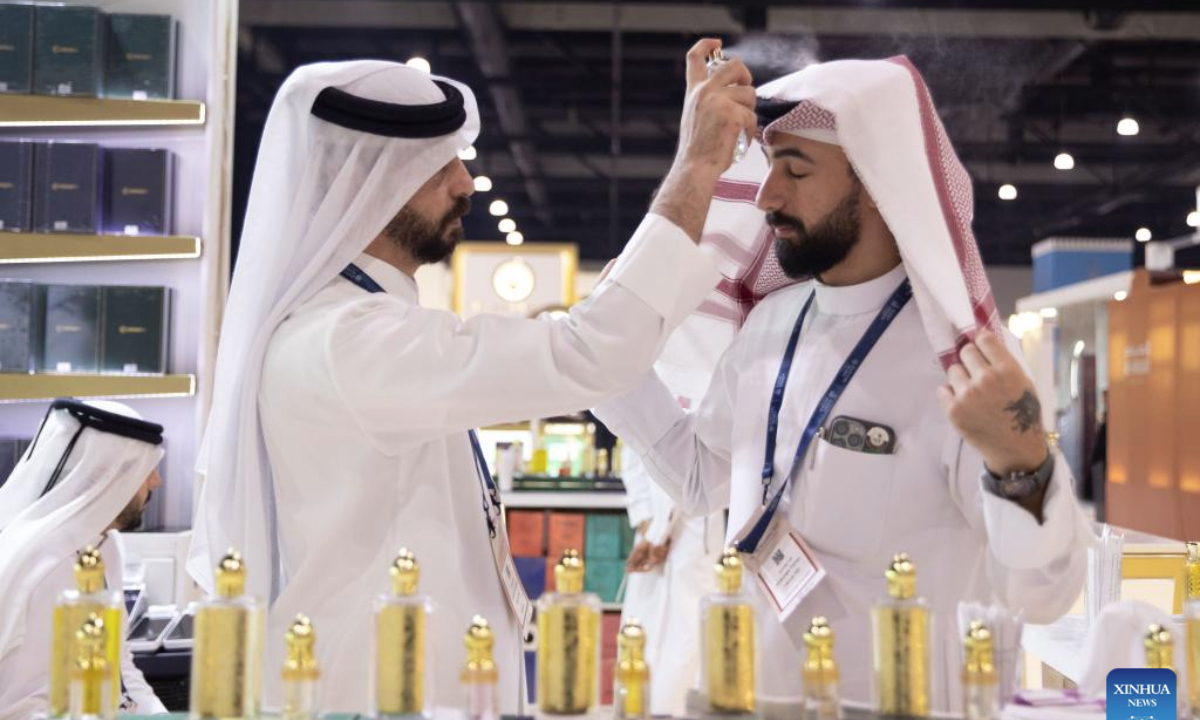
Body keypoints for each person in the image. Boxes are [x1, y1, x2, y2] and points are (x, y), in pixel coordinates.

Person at [189, 40, 756, 713]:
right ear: (369, 181)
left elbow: (598, 366)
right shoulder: (347, 340)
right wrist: (696, 166)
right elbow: (586, 354)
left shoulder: (362, 325)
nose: (464, 183)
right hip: (381, 692)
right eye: (439, 166)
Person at [594, 57, 1093, 711]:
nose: (767, 196)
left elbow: (1043, 594)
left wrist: (1021, 464)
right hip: (756, 697)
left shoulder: (960, 359)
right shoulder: (770, 324)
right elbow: (696, 477)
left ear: (879, 183)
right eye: (769, 168)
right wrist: (605, 353)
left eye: (796, 171)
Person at [0, 399, 167, 718]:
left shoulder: (105, 543)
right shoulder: (47, 565)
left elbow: (119, 669)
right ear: (111, 476)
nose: (156, 481)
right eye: (147, 470)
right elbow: (20, 709)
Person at [619, 309, 731, 717]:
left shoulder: (710, 380)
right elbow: (633, 457)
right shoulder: (649, 375)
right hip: (653, 534)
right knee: (644, 628)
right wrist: (648, 524)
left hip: (694, 533)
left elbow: (699, 469)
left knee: (687, 636)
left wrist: (659, 532)